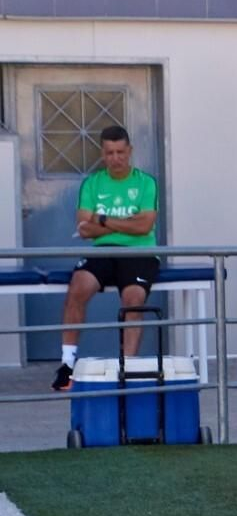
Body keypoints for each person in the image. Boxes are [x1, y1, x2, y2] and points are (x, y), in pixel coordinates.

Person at [53, 125, 161, 391]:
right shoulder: (92, 183)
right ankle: (67, 365)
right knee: (77, 287)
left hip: (140, 252)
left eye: (120, 152)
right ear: (102, 153)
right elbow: (84, 228)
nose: (116, 158)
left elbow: (144, 227)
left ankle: (128, 368)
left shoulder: (146, 182)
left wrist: (101, 219)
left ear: (130, 151)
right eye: (110, 153)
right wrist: (125, 222)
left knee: (133, 299)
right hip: (102, 251)